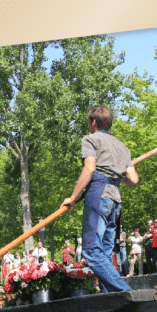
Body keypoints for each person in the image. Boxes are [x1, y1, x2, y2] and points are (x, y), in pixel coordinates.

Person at [60, 105, 138, 293]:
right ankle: (109, 296)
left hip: (99, 192)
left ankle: (125, 291)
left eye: (88, 121)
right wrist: (115, 174)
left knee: (91, 252)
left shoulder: (91, 139)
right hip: (115, 198)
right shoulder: (122, 147)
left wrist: (72, 198)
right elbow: (133, 180)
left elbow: (89, 169)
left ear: (93, 122)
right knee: (103, 252)